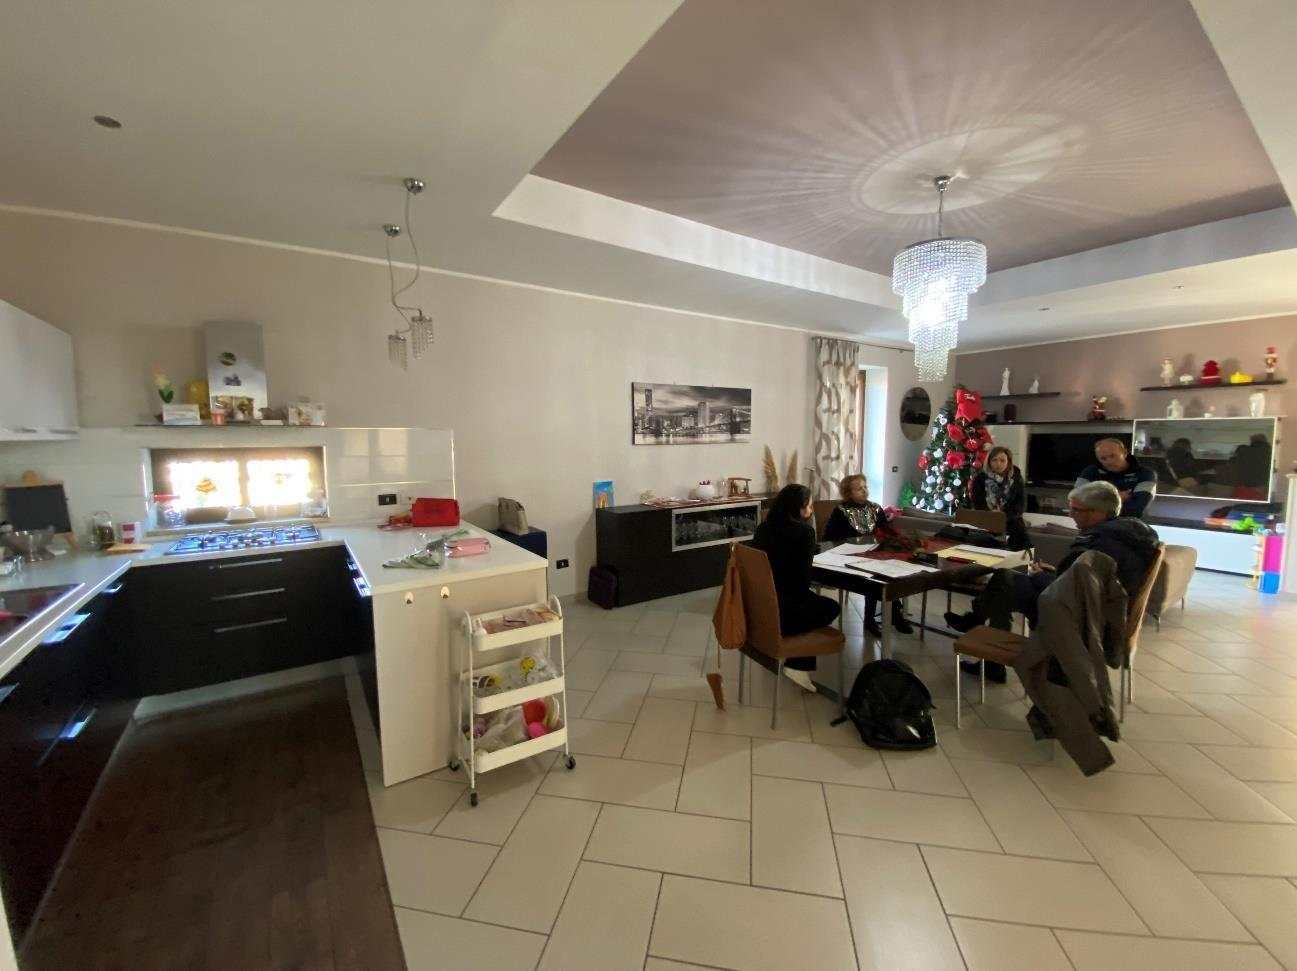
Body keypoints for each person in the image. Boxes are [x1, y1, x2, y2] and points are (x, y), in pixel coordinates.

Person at [946, 481, 1159, 683]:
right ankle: (984, 643)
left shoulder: (1099, 544)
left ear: (1098, 512)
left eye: (1076, 510)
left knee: (1004, 581)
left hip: (1080, 620)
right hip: (1099, 613)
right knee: (1005, 585)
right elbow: (1085, 582)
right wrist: (1055, 573)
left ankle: (977, 626)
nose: (1071, 514)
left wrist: (1040, 575)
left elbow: (1072, 591)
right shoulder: (1127, 535)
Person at [751, 483, 840, 693]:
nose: (811, 511)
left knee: (811, 602)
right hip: (785, 610)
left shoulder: (763, 528)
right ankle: (797, 663)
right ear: (797, 508)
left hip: (760, 607)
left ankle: (797, 661)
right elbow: (801, 582)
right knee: (830, 607)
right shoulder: (804, 532)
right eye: (808, 506)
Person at [822, 474, 913, 637]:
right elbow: (829, 537)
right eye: (859, 489)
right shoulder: (840, 511)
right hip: (848, 557)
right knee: (873, 577)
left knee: (888, 573)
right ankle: (875, 618)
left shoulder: (875, 508)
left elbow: (885, 533)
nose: (864, 491)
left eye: (865, 487)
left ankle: (893, 612)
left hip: (874, 554)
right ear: (848, 493)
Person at [966, 445, 1029, 550]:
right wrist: (992, 516)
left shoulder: (1016, 478)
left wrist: (1002, 517)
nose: (998, 464)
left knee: (1020, 542)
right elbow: (977, 503)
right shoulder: (980, 479)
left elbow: (1020, 505)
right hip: (986, 521)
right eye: (994, 460)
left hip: (1011, 522)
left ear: (1008, 462)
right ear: (989, 462)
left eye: (1002, 460)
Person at [1075, 438, 1156, 519]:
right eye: (1103, 458)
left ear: (1125, 453)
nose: (1109, 462)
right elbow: (1076, 502)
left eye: (1113, 456)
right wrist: (1116, 497)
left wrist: (1096, 501)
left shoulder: (1145, 474)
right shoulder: (1090, 472)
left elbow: (1136, 509)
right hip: (1094, 524)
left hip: (1130, 523)